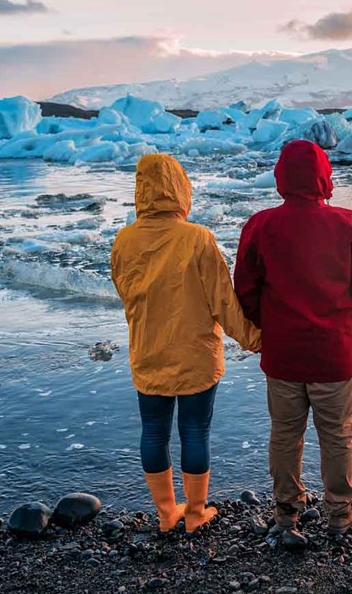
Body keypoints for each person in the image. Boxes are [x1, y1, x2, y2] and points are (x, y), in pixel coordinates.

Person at [234, 140, 352, 538]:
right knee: (337, 434)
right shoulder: (351, 224)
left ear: (281, 177)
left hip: (282, 354)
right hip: (334, 355)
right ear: (324, 177)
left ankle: (287, 512)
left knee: (285, 433)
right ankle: (339, 511)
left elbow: (245, 288)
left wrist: (263, 327)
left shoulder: (261, 225)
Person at [111, 153, 261, 534]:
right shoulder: (197, 238)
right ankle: (195, 513)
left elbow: (124, 290)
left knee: (153, 432)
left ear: (141, 190)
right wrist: (253, 338)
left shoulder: (124, 240)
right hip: (195, 355)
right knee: (195, 431)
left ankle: (165, 513)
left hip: (148, 351)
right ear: (180, 188)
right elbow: (223, 301)